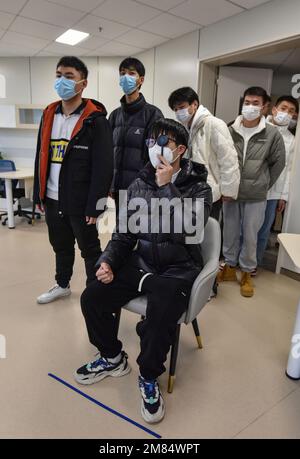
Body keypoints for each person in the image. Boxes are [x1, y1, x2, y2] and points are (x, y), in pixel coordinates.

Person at [75, 118, 212, 424]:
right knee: (92, 296)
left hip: (178, 270)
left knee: (159, 318)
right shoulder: (138, 184)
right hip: (143, 264)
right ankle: (112, 357)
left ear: (180, 150)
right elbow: (124, 234)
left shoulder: (200, 187)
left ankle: (148, 377)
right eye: (151, 142)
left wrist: (167, 188)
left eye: (163, 143)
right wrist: (108, 261)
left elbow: (188, 230)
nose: (155, 149)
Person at [33, 56, 113, 304]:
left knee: (89, 249)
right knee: (60, 246)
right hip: (53, 197)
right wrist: (39, 194)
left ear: (83, 83)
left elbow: (104, 167)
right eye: (59, 75)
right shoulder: (49, 114)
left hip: (80, 202)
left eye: (69, 76)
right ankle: (62, 284)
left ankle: (94, 293)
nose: (62, 81)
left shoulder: (95, 120)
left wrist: (95, 205)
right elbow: (41, 155)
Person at [217, 87, 285, 297]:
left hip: (256, 194)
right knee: (229, 231)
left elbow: (278, 163)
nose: (250, 107)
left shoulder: (272, 133)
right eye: (247, 102)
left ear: (265, 107)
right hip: (231, 193)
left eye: (256, 103)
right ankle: (228, 267)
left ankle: (246, 272)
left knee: (250, 235)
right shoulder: (230, 129)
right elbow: (220, 158)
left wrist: (263, 183)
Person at [168, 86, 240, 221]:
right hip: (188, 192)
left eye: (181, 107)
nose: (178, 112)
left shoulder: (214, 124)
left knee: (207, 234)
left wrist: (228, 190)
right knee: (189, 233)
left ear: (194, 104)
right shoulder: (183, 128)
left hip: (210, 192)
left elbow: (228, 159)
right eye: (175, 109)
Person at [109, 57, 163, 213]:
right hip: (118, 189)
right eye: (122, 73)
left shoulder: (153, 114)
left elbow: (155, 157)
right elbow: (108, 154)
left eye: (131, 73)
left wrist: (146, 187)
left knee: (140, 233)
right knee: (121, 232)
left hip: (141, 191)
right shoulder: (114, 116)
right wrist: (110, 184)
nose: (126, 77)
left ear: (141, 80)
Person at [256, 95, 298, 269]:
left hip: (274, 192)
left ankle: (254, 264)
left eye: (291, 111)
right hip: (253, 188)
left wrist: (283, 196)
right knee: (246, 228)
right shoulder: (259, 128)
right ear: (274, 109)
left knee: (264, 230)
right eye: (283, 108)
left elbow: (289, 170)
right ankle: (235, 262)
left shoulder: (292, 139)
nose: (286, 113)